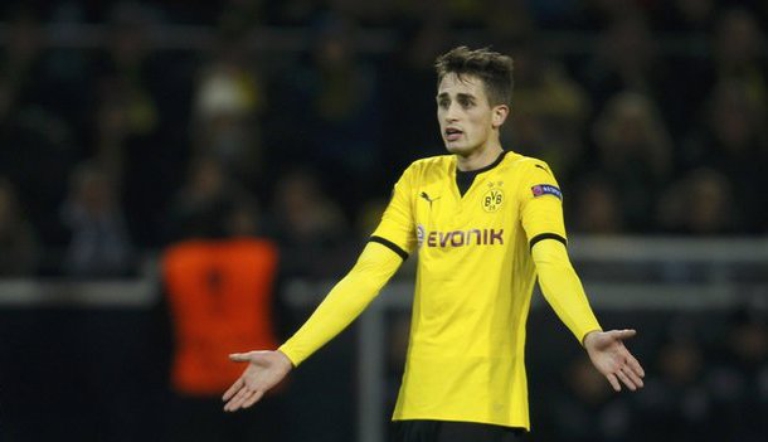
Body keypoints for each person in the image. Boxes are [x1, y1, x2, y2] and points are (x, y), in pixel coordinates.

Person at [222, 46, 645, 441]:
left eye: (466, 102)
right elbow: (366, 276)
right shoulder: (418, 178)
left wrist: (587, 331)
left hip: (487, 408)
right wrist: (289, 354)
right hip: (418, 406)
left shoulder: (529, 177)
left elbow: (551, 260)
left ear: (498, 114)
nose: (451, 115)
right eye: (444, 102)